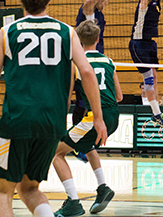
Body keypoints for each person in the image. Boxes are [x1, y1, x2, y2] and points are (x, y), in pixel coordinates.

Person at [0, 0, 107, 217]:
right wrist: (98, 118)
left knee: (3, 192)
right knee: (29, 188)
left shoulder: (6, 32)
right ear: (49, 0)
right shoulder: (67, 32)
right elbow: (86, 71)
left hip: (16, 122)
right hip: (52, 124)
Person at [53, 20, 123, 217]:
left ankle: (73, 202)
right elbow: (119, 96)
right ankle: (103, 188)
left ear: (77, 40)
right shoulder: (109, 62)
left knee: (56, 154)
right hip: (114, 117)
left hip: (94, 117)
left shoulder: (77, 64)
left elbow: (66, 99)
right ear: (98, 39)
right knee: (87, 145)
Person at [74, 0, 122, 161]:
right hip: (83, 59)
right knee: (84, 101)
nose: (105, 1)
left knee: (94, 102)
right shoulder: (87, 9)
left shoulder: (99, 11)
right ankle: (79, 143)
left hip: (97, 59)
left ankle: (85, 143)